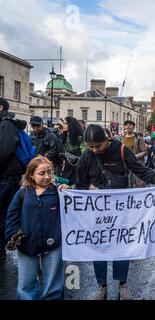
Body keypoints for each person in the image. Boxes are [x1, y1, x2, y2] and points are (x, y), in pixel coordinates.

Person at [75, 125, 155, 300]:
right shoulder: (86, 156)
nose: (94, 150)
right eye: (91, 147)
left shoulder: (121, 150)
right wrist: (83, 190)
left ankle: (122, 285)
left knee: (122, 246)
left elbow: (139, 169)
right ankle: (101, 286)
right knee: (99, 248)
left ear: (108, 140)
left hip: (121, 209)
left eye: (98, 145)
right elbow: (80, 184)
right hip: (98, 212)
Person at [5, 156, 70, 299]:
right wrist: (13, 234)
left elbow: (72, 213)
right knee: (26, 285)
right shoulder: (23, 193)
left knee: (53, 286)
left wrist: (68, 194)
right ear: (31, 175)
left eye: (50, 172)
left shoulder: (58, 192)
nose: (47, 177)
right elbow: (11, 215)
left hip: (54, 246)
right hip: (27, 245)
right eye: (42, 173)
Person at [0, 98, 28, 261]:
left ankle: (3, 245)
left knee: (4, 211)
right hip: (8, 176)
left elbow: (4, 150)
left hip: (7, 176)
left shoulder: (7, 124)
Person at [122, 120, 148, 187]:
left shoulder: (139, 138)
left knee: (139, 185)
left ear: (134, 127)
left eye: (130, 125)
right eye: (126, 125)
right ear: (124, 127)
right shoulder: (122, 138)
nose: (128, 126)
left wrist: (134, 156)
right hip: (125, 167)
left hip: (136, 165)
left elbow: (145, 151)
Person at [61, 117, 85, 185]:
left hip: (76, 166)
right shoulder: (64, 136)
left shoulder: (79, 137)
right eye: (63, 123)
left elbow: (84, 152)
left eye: (66, 124)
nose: (63, 125)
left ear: (71, 125)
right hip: (66, 164)